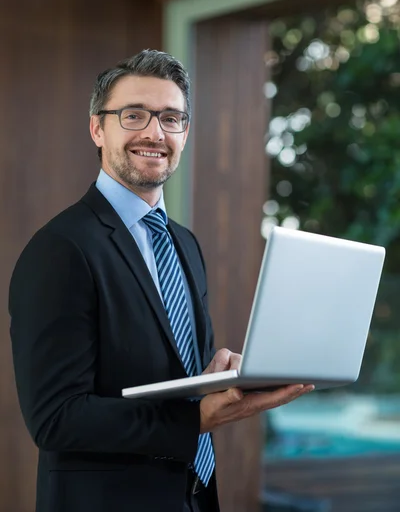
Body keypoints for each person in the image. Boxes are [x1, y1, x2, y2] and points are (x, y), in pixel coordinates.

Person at [9, 50, 313, 512]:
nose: (155, 132)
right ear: (97, 128)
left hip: (191, 496)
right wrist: (195, 417)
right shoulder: (60, 249)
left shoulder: (184, 244)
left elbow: (173, 379)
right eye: (134, 116)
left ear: (185, 133)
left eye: (171, 118)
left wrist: (219, 382)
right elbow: (55, 419)